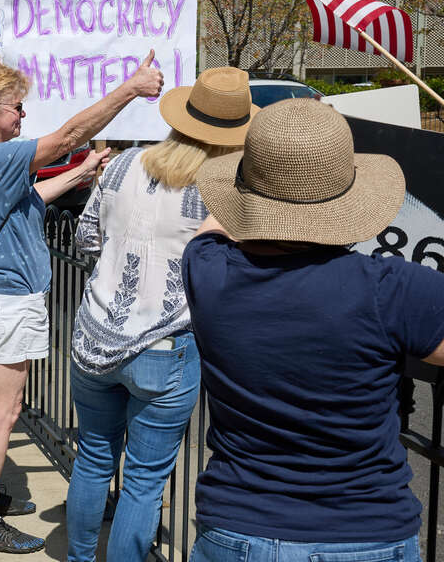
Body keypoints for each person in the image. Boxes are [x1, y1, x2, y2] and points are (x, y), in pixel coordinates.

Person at [182, 98, 444, 562]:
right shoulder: (395, 288)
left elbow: (212, 225)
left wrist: (263, 174)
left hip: (237, 530)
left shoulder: (205, 271)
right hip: (366, 534)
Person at [0, 53, 163, 553]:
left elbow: (29, 202)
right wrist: (131, 89)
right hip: (7, 300)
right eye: (16, 108)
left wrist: (80, 172)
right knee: (3, 412)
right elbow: (66, 135)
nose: (22, 117)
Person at [66, 67, 257, 562]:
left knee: (92, 458)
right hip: (165, 344)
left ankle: (81, 556)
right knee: (144, 481)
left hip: (95, 333)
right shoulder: (224, 189)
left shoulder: (125, 162)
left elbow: (86, 239)